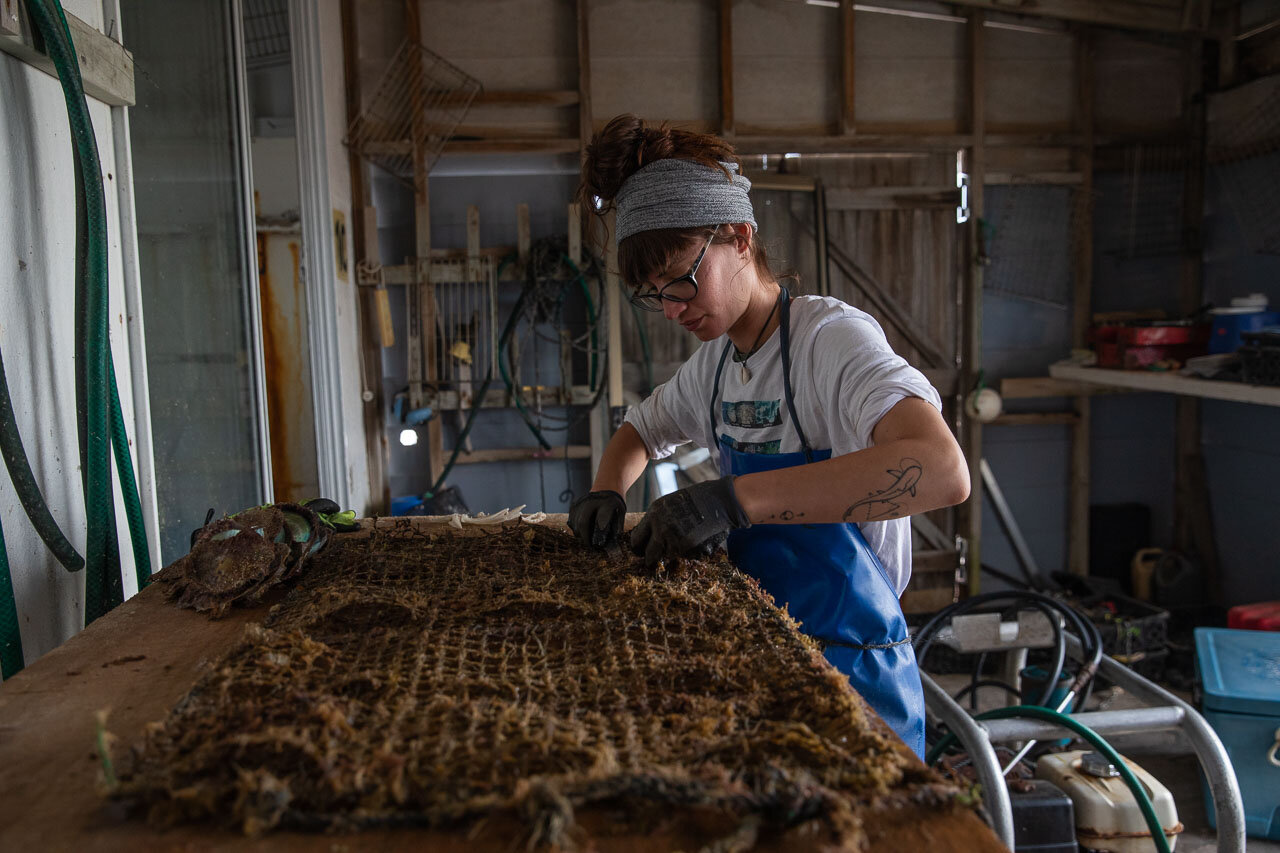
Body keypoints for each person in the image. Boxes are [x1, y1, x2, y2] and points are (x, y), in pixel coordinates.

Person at [567, 115, 970, 758]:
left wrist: (733, 501)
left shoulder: (830, 342)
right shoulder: (719, 365)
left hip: (854, 673)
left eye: (680, 278)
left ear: (739, 237)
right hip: (763, 653)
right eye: (655, 295)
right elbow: (639, 431)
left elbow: (942, 470)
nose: (672, 308)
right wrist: (607, 491)